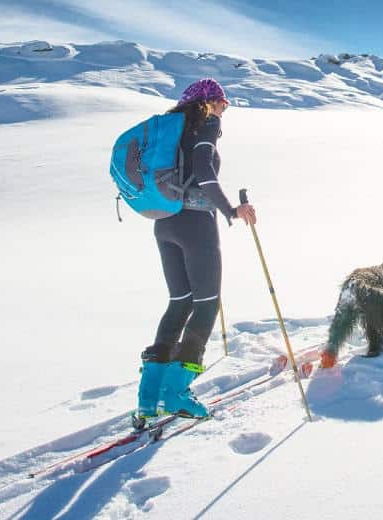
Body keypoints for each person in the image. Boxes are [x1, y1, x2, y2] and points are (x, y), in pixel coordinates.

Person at [135, 78, 257, 423]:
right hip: (195, 225)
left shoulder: (173, 131)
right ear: (210, 101)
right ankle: (175, 393)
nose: (224, 109)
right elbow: (204, 172)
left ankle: (148, 398)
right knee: (206, 305)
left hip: (165, 223)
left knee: (179, 302)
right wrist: (231, 210)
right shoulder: (207, 123)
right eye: (223, 102)